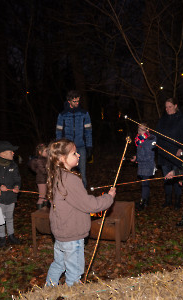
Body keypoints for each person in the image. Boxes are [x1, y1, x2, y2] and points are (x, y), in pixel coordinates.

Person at [45, 139, 116, 286]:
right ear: (62, 158)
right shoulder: (70, 179)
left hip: (61, 234)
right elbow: (89, 205)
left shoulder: (55, 175)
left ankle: (47, 291)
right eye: (74, 153)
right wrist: (108, 197)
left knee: (59, 264)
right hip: (72, 235)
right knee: (74, 273)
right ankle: (72, 294)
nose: (78, 155)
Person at [156, 98, 183, 208]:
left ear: (175, 106)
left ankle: (177, 201)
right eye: (166, 107)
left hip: (176, 153)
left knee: (176, 177)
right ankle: (168, 200)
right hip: (164, 153)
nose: (167, 109)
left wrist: (182, 148)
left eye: (170, 106)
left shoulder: (182, 119)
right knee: (167, 178)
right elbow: (158, 135)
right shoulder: (162, 120)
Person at [0, 141, 21, 247]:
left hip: (11, 197)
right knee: (1, 219)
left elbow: (17, 179)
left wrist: (17, 186)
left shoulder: (13, 165)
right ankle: (1, 237)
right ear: (3, 153)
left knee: (9, 217)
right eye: (11, 151)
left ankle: (11, 235)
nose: (13, 153)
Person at [56, 90, 92, 187]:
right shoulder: (62, 115)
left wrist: (89, 146)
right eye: (74, 101)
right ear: (69, 101)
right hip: (67, 149)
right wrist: (59, 148)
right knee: (67, 173)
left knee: (82, 174)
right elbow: (59, 132)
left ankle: (83, 196)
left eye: (78, 101)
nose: (77, 103)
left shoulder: (84, 114)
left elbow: (88, 131)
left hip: (81, 147)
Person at [130, 123, 156, 210]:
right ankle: (145, 200)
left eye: (142, 129)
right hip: (142, 164)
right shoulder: (139, 139)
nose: (139, 131)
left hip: (147, 164)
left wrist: (138, 158)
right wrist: (136, 157)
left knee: (145, 183)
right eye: (138, 129)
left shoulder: (150, 139)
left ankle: (143, 201)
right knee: (144, 183)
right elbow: (141, 152)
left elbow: (148, 155)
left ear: (147, 130)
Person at [28, 143, 48, 209]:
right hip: (41, 180)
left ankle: (45, 210)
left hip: (46, 180)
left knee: (46, 196)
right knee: (42, 196)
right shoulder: (39, 160)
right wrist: (51, 170)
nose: (47, 152)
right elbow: (43, 171)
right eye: (46, 151)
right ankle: (39, 211)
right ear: (40, 152)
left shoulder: (46, 159)